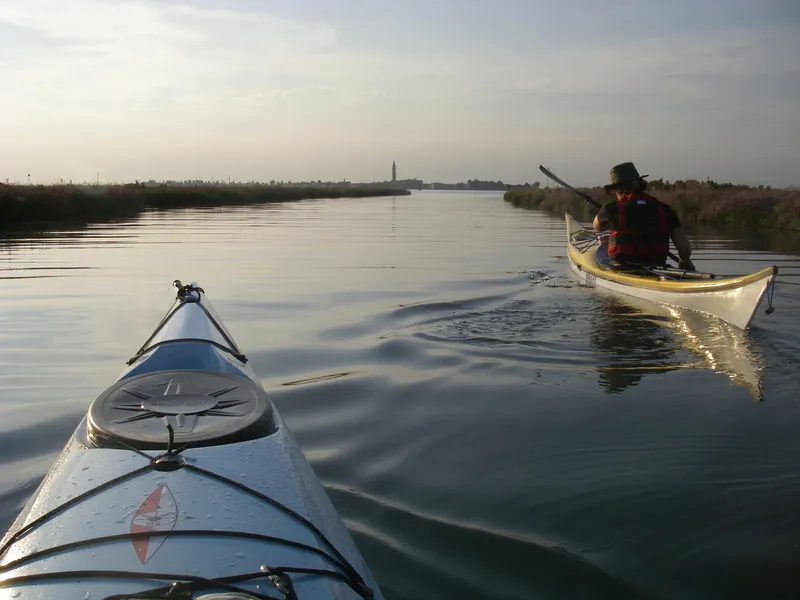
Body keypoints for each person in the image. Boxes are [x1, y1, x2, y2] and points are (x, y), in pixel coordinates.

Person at [593, 162, 695, 270]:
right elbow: (684, 249)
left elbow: (597, 227)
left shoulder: (611, 208)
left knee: (603, 249)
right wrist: (684, 261)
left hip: (624, 266)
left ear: (618, 190)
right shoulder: (665, 209)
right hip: (657, 264)